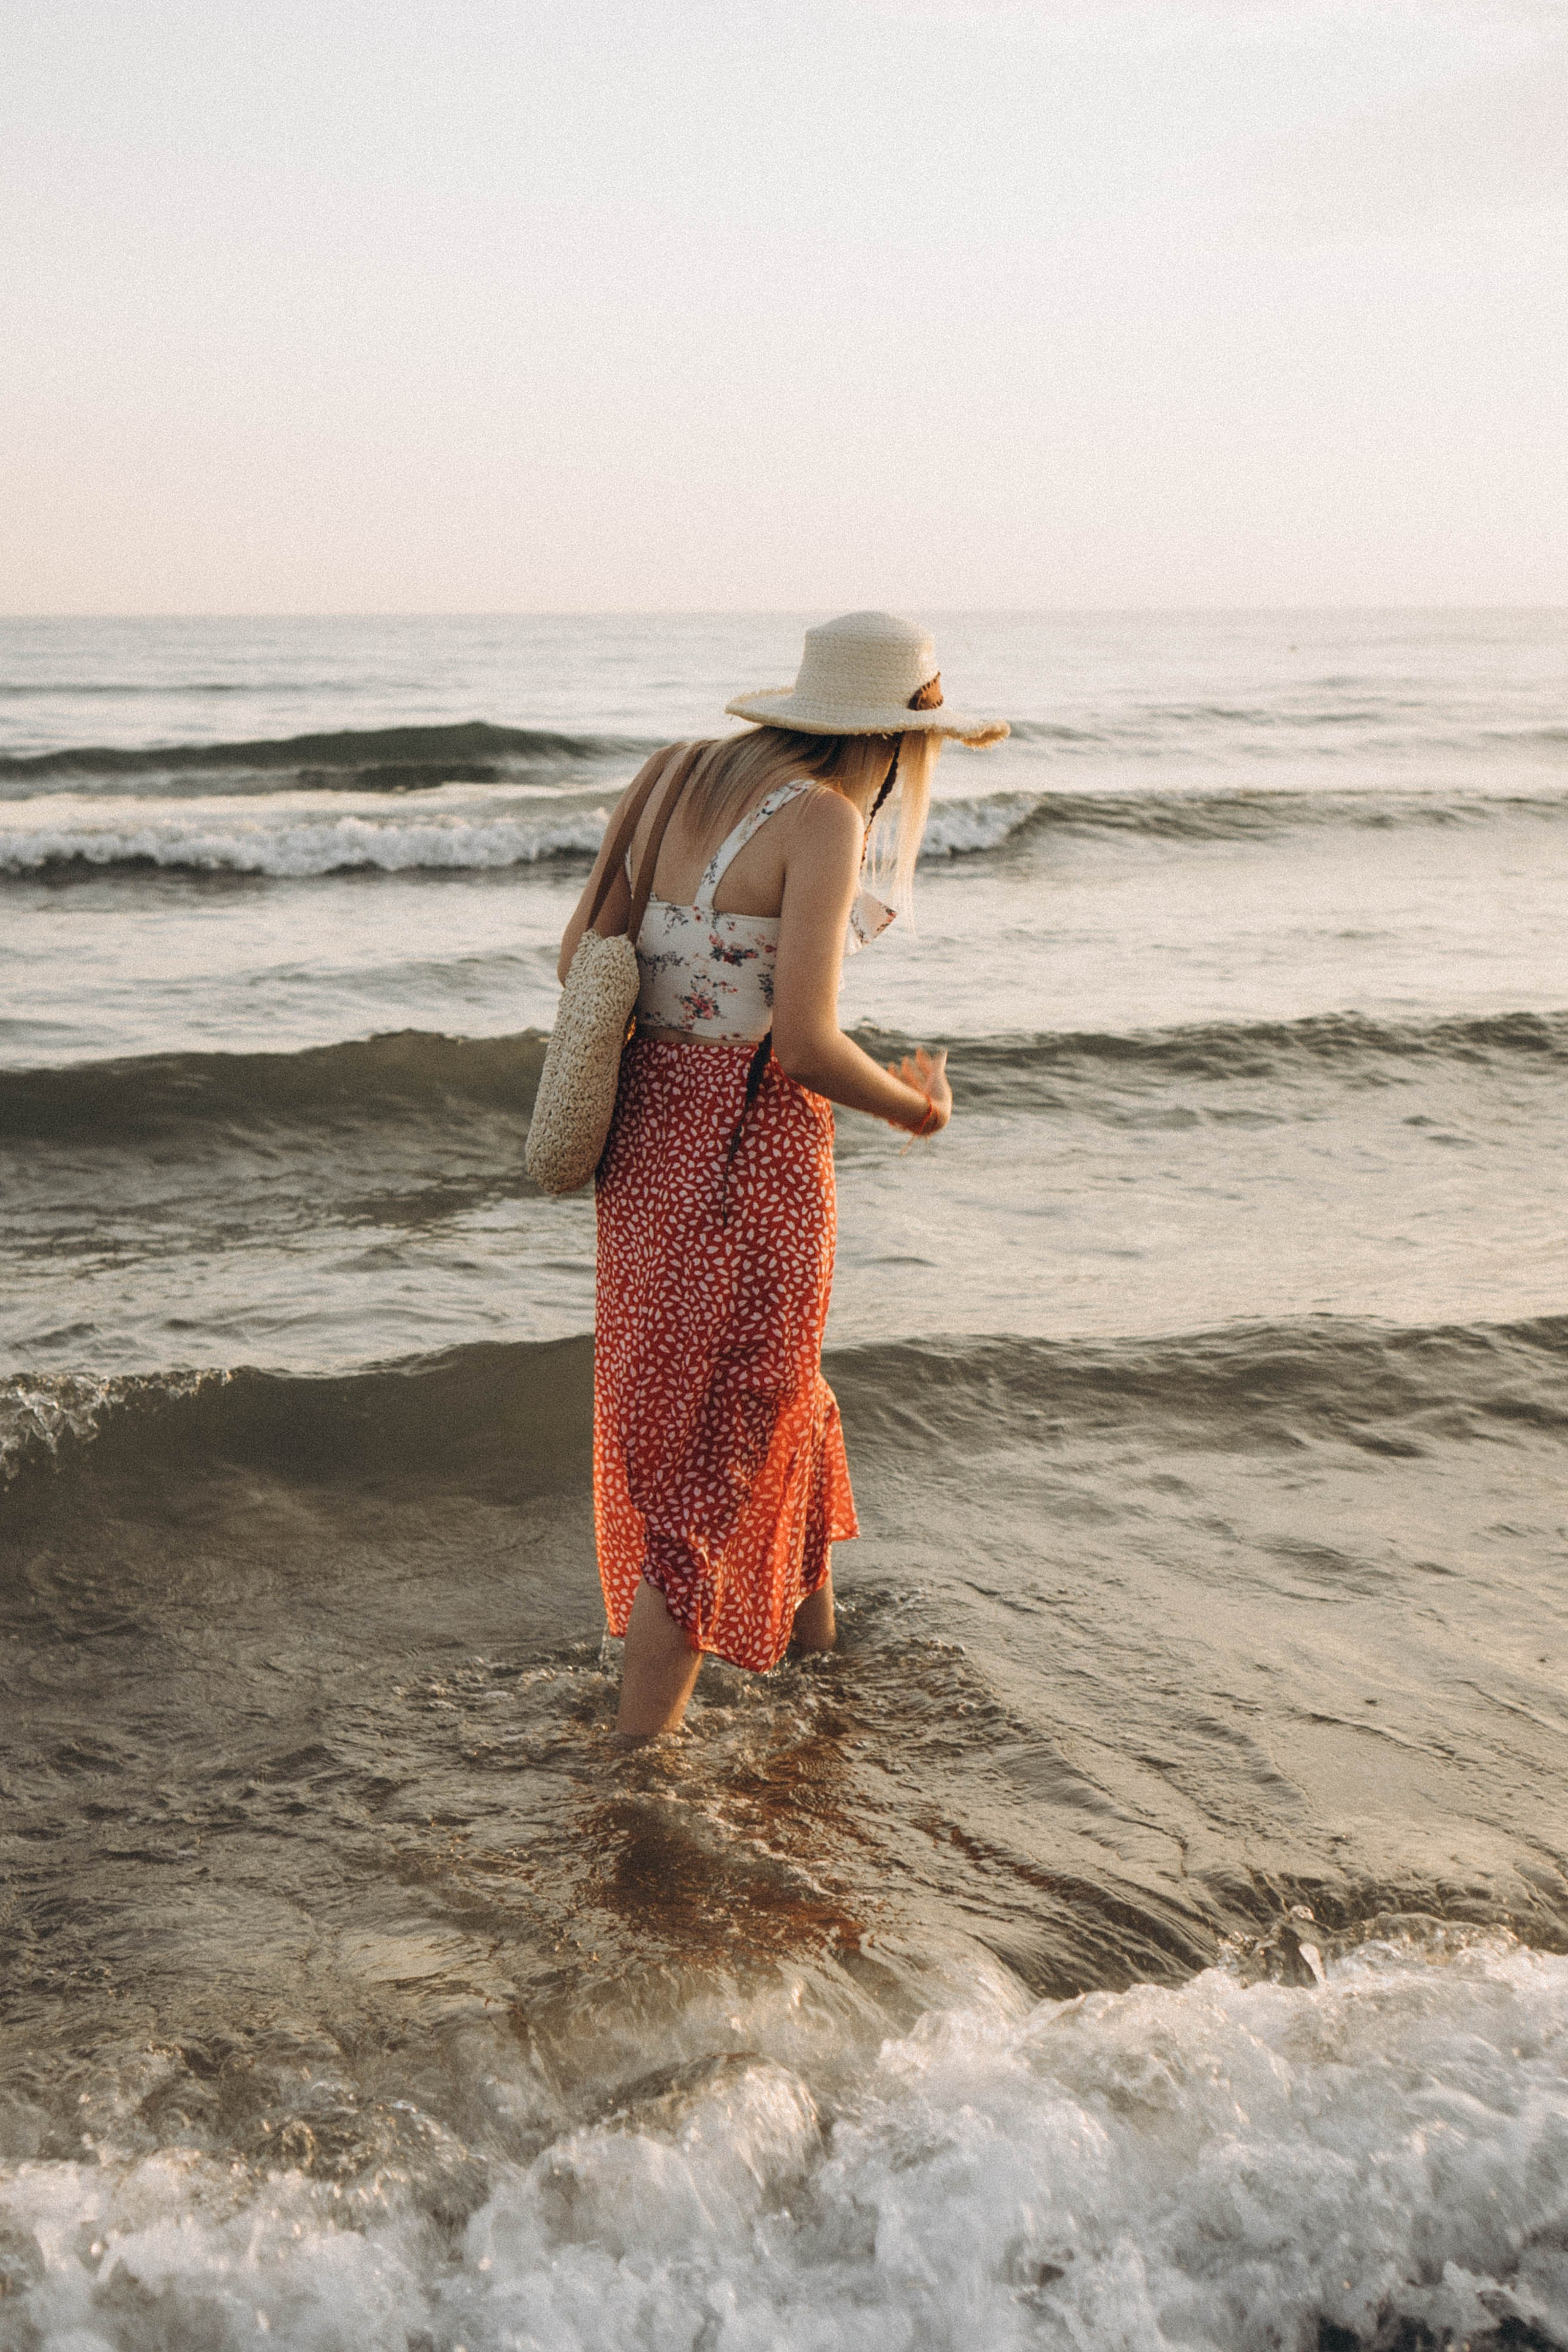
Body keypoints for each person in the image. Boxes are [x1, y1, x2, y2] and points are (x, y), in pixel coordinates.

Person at [555, 611, 1008, 1738]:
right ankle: (635, 1767)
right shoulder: (824, 818)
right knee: (724, 1440)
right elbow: (804, 1043)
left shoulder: (670, 776)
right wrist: (918, 1108)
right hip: (752, 1155)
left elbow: (579, 963)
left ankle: (814, 1677)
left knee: (777, 1399)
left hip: (647, 1148)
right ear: (895, 734)